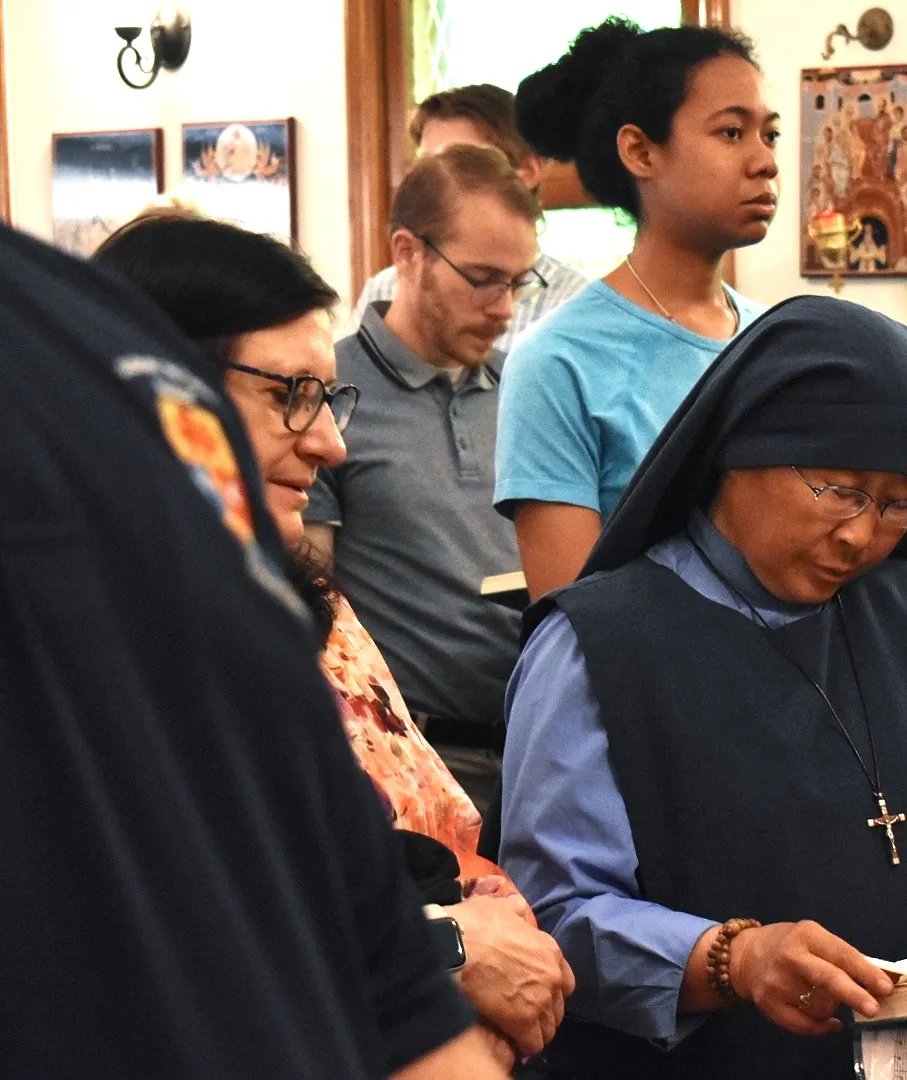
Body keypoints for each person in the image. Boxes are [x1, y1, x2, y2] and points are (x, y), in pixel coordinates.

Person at [501, 296, 907, 1079]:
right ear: (737, 452)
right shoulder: (597, 644)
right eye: (839, 490)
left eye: (899, 503)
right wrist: (732, 958)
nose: (862, 534)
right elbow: (552, 918)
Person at [0, 224, 508, 1077]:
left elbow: (372, 926)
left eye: (328, 398)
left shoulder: (280, 620)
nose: (328, 442)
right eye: (290, 394)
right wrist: (459, 948)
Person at [495, 17, 778, 600]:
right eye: (730, 133)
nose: (764, 161)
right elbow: (572, 621)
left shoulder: (777, 341)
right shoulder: (559, 362)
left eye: (768, 135)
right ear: (641, 151)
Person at [305, 144, 540, 813]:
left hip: (539, 756)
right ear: (407, 253)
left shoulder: (525, 391)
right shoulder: (330, 393)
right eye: (484, 278)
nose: (505, 306)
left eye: (520, 282)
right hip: (410, 768)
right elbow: (310, 602)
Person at [353, 83, 589, 349]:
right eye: (426, 167)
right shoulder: (384, 290)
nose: (436, 185)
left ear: (527, 172)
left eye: (462, 164)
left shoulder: (573, 305)